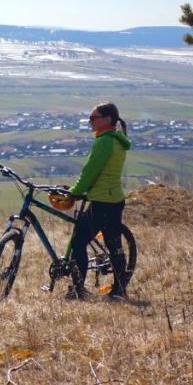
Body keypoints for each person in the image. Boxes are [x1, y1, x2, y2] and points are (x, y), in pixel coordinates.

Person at [65, 101, 131, 301]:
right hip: (113, 199)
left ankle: (78, 289)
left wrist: (75, 192)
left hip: (103, 201)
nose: (90, 122)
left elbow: (90, 171)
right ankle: (119, 289)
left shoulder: (104, 142)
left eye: (94, 118)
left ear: (107, 119)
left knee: (78, 242)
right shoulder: (117, 140)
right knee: (114, 245)